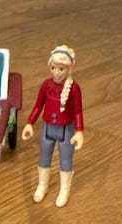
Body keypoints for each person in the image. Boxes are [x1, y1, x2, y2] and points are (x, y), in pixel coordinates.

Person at [22, 45, 84, 207]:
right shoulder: (46, 85)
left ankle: (64, 189)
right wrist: (29, 122)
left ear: (69, 68)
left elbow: (78, 111)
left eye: (61, 69)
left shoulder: (74, 89)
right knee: (44, 157)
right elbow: (38, 106)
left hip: (66, 130)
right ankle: (42, 185)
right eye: (53, 68)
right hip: (47, 128)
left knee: (66, 159)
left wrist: (79, 131)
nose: (56, 72)